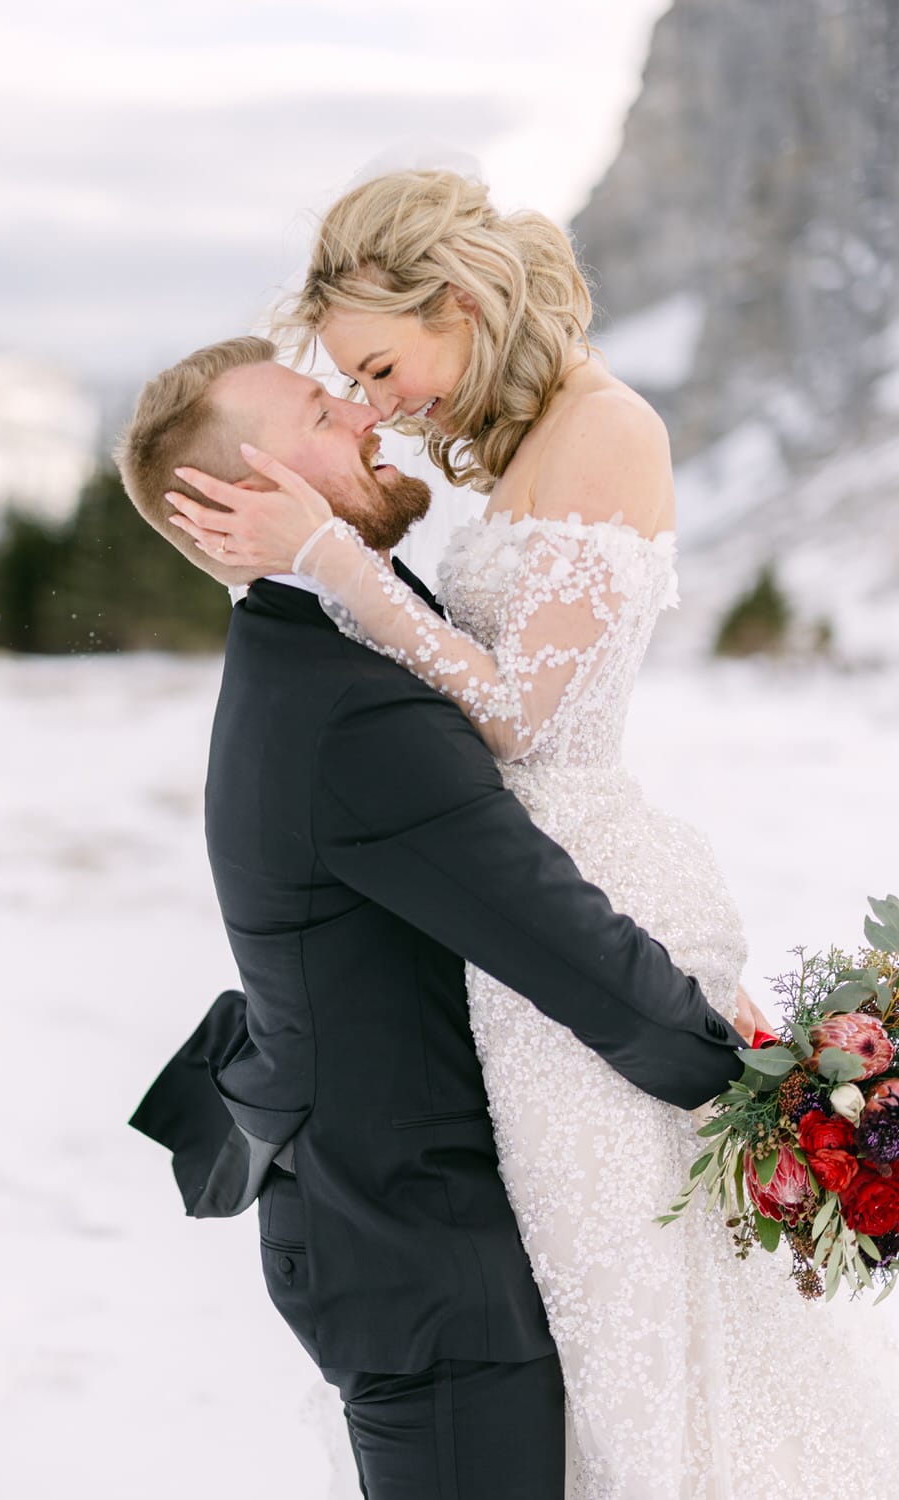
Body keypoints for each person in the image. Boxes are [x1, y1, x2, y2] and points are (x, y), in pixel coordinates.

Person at [163, 172, 898, 1496]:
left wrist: (767, 1086)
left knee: (653, 1330)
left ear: (458, 302)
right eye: (348, 393)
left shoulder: (604, 427)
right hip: (536, 948)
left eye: (377, 369)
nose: (380, 407)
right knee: (611, 1324)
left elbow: (509, 716)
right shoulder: (517, 450)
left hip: (582, 911)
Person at [117, 334, 747, 1500]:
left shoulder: (328, 632)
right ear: (255, 499)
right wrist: (768, 1084)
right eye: (321, 410)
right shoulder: (342, 710)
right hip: (425, 1269)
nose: (365, 416)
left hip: (416, 1234)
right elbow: (564, 948)